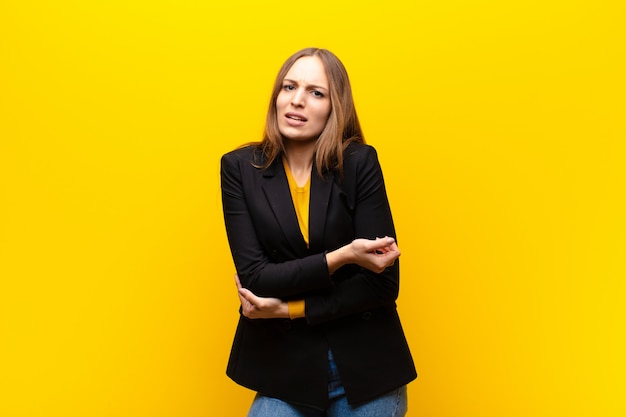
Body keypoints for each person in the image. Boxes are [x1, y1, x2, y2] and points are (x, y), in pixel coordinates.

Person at [220, 47, 416, 417]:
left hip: (367, 368)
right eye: (288, 87)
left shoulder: (359, 162)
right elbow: (257, 278)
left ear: (334, 106)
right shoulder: (239, 168)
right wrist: (342, 257)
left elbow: (382, 284)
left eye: (315, 92)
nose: (296, 101)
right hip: (285, 368)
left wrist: (288, 308)